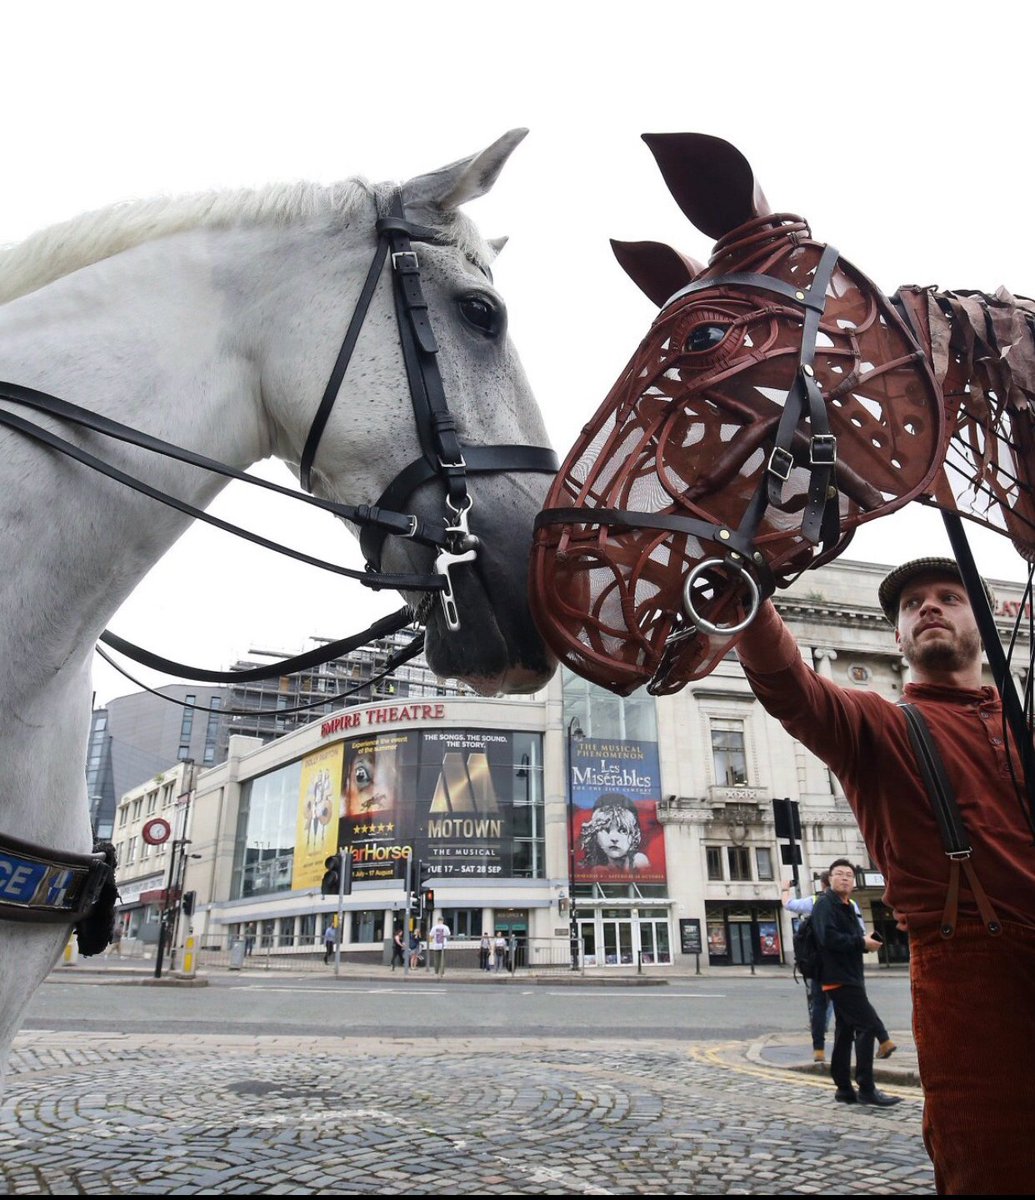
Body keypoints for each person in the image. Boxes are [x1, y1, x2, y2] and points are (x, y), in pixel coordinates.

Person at [737, 557, 1035, 1192]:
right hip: (972, 970)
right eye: (911, 604)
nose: (928, 607)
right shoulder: (879, 724)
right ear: (897, 638)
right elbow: (794, 688)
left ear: (982, 623)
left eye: (949, 598)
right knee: (993, 1161)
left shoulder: (1023, 728)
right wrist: (747, 593)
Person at [809, 859, 900, 1107]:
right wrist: (861, 943)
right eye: (839, 874)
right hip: (838, 978)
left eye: (849, 874)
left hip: (851, 976)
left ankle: (844, 1089)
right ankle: (867, 1087)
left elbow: (849, 938)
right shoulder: (825, 904)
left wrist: (864, 941)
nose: (845, 878)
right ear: (830, 879)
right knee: (867, 1026)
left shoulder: (848, 906)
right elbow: (828, 938)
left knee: (845, 1032)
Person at [782, 873, 895, 1063]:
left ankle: (819, 1049)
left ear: (822, 884)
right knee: (855, 1004)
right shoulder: (850, 904)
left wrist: (785, 888)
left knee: (820, 1005)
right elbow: (860, 931)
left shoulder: (816, 901)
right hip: (846, 963)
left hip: (821, 964)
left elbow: (788, 904)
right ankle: (879, 1040)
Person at [577, 793, 650, 872]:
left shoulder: (638, 861)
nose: (614, 838)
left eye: (623, 830)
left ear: (634, 835)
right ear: (595, 834)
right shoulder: (596, 867)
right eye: (606, 829)